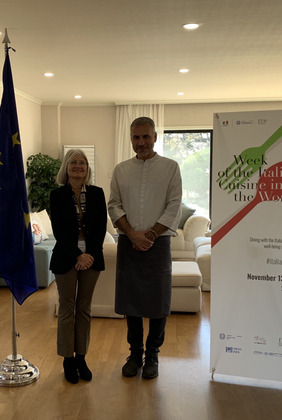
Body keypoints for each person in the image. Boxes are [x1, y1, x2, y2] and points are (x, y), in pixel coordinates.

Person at [108, 116, 182, 379]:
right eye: (136, 138)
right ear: (131, 139)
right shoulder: (121, 170)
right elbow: (114, 205)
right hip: (129, 244)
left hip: (158, 244)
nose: (141, 142)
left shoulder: (171, 167)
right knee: (132, 303)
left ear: (155, 137)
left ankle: (152, 355)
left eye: (146, 137)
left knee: (158, 303)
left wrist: (149, 234)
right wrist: (132, 234)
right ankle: (135, 353)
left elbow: (174, 205)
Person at [50, 149, 108, 384]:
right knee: (67, 308)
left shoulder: (97, 193)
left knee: (84, 308)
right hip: (66, 256)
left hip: (92, 256)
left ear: (87, 168)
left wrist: (90, 254)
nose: (78, 166)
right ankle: (67, 359)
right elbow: (59, 231)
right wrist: (77, 255)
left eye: (82, 162)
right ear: (66, 167)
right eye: (73, 162)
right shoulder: (57, 194)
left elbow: (102, 225)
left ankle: (81, 357)